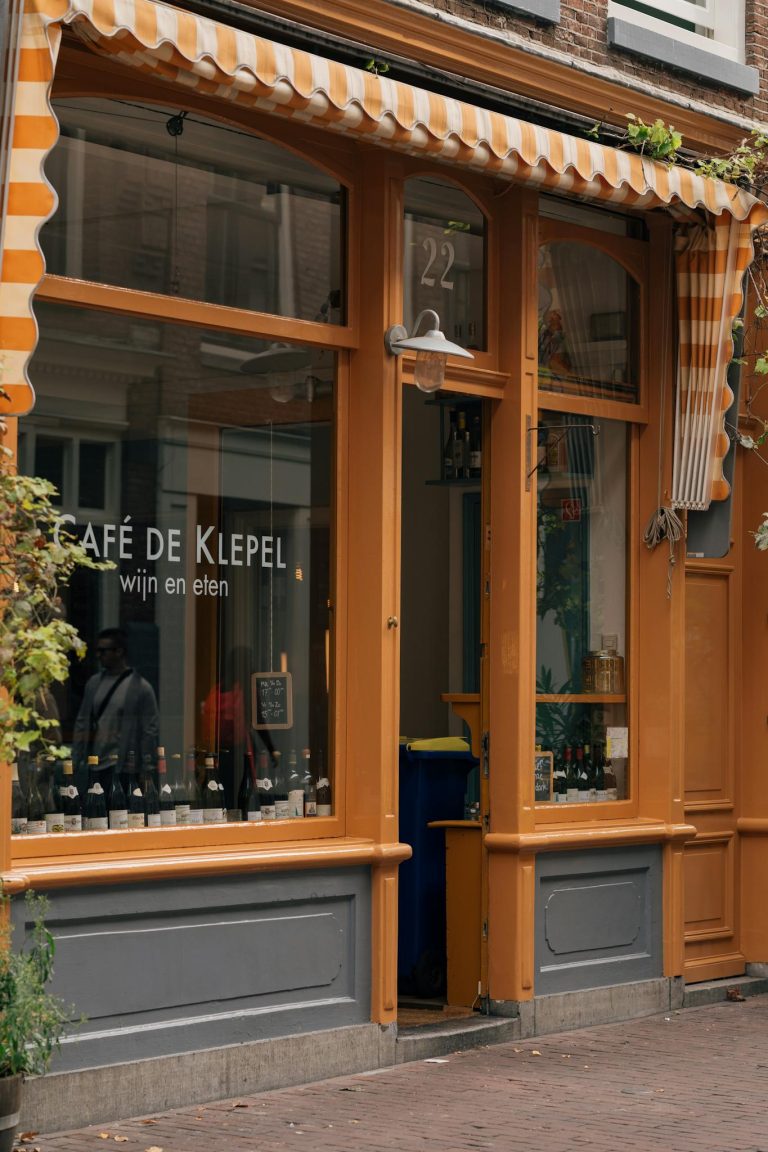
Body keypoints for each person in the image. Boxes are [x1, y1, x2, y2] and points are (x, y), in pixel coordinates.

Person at [72, 627, 160, 792]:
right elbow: (82, 722)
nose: (98, 655)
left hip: (124, 766)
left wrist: (146, 769)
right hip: (95, 763)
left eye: (103, 651)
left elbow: (150, 731)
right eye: (97, 651)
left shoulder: (140, 688)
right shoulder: (94, 683)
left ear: (119, 651)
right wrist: (76, 760)